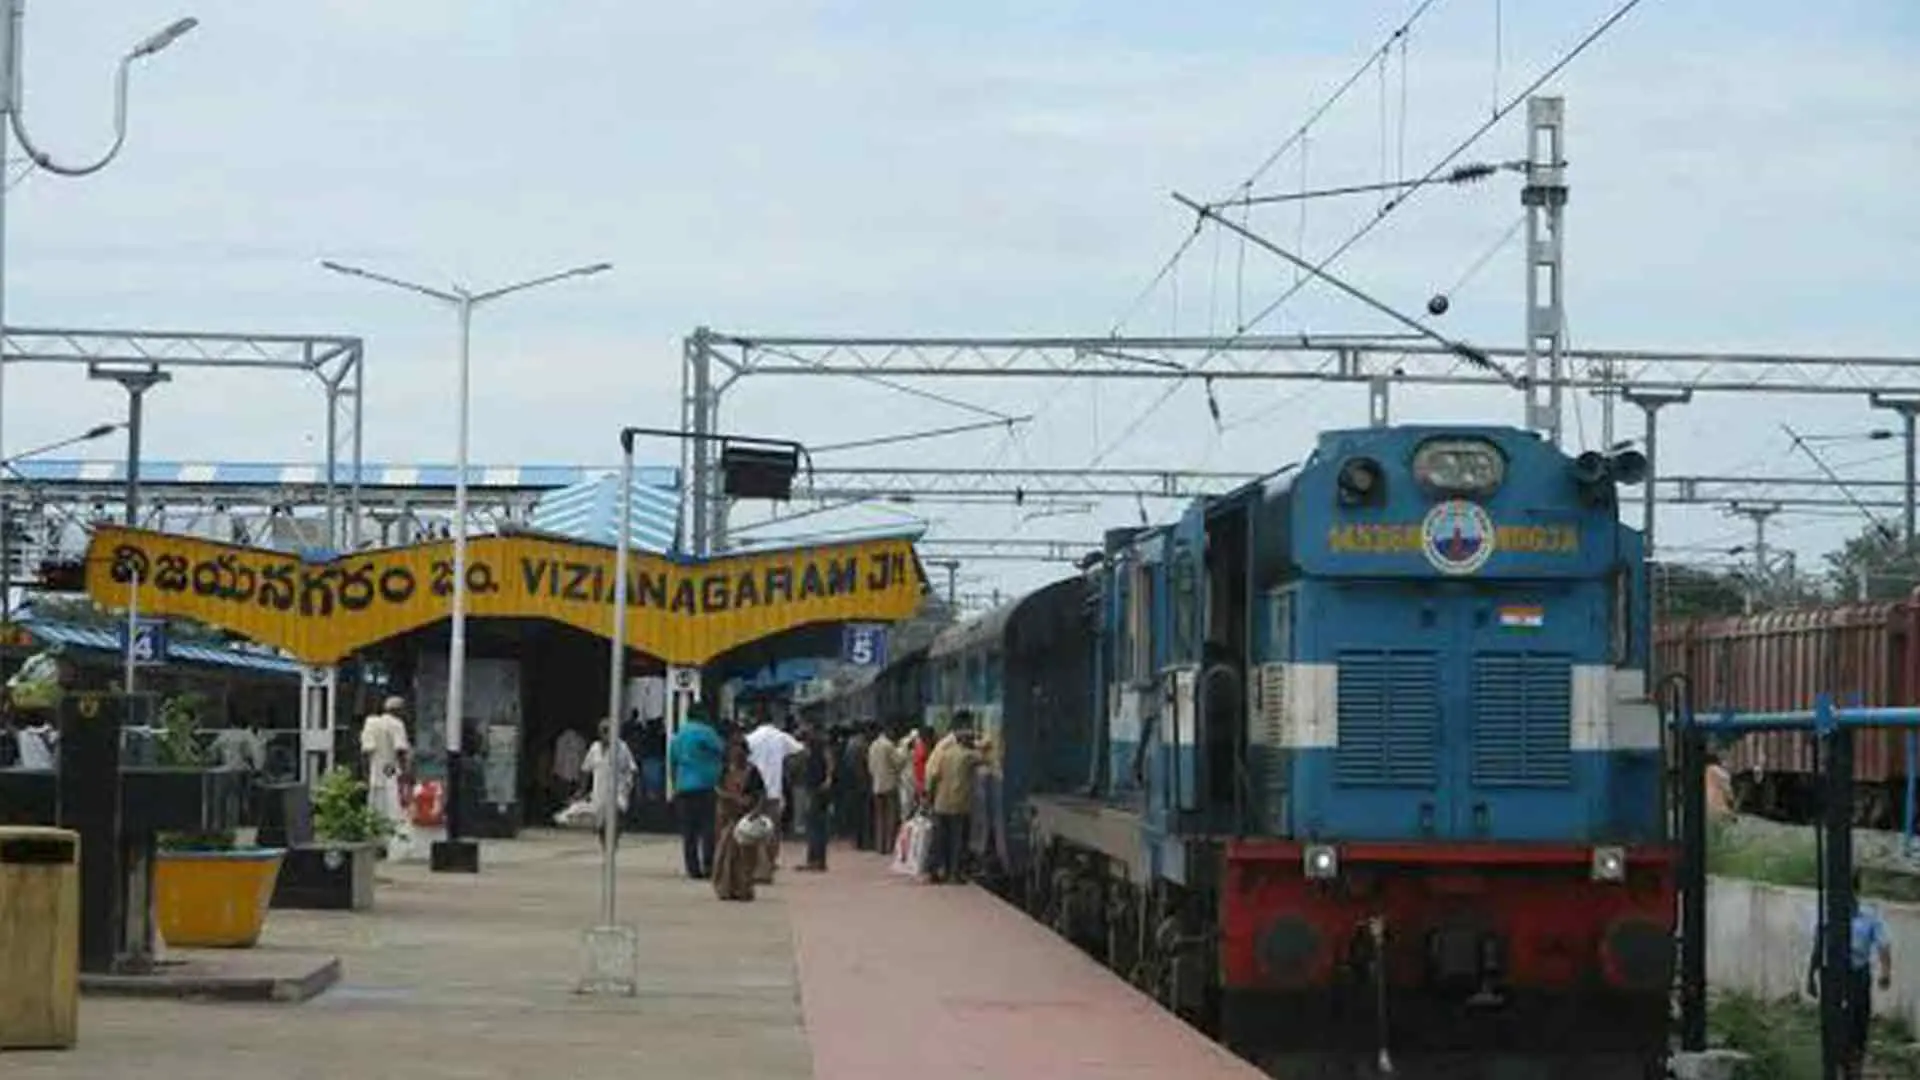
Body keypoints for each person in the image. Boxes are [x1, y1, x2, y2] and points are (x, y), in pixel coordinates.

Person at [1808, 869, 1895, 1080]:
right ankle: (1835, 1065)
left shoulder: (1869, 916)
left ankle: (1853, 1068)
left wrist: (1885, 972)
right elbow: (1819, 944)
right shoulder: (1828, 914)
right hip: (1833, 975)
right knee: (1834, 1025)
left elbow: (1883, 945)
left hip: (1857, 974)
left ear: (1855, 891)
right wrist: (1810, 975)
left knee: (1857, 1024)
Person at [745, 713, 805, 883]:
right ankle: (770, 864)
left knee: (753, 829)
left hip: (755, 791)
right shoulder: (781, 737)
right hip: (774, 791)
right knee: (772, 830)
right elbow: (800, 750)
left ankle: (755, 866)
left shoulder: (750, 738)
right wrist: (788, 769)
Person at [668, 704, 726, 879]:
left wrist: (674, 786)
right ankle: (708, 865)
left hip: (684, 788)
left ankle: (692, 869)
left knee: (689, 832)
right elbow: (722, 749)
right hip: (705, 787)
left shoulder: (678, 737)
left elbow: (673, 764)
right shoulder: (707, 732)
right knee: (708, 829)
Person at [924, 719, 984, 884]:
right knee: (957, 841)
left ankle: (934, 871)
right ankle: (954, 874)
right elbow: (986, 755)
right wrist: (979, 743)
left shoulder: (943, 754)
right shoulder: (968, 755)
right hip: (958, 805)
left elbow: (934, 777)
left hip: (941, 803)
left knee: (940, 840)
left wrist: (930, 798)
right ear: (966, 741)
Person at [712, 735, 766, 901]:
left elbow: (761, 794)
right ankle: (726, 888)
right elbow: (717, 788)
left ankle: (744, 888)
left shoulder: (752, 771)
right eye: (733, 751)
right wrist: (729, 797)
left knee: (746, 856)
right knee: (725, 854)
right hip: (729, 816)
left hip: (745, 819)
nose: (736, 755)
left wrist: (756, 811)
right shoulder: (725, 769)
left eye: (740, 751)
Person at [360, 697, 412, 856]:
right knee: (393, 807)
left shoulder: (371, 723)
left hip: (376, 771)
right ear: (397, 711)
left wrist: (366, 773)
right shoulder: (396, 724)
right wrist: (405, 773)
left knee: (375, 807)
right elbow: (400, 750)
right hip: (389, 768)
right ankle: (393, 846)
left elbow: (366, 751)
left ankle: (375, 844)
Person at [582, 719, 637, 849]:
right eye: (603, 731)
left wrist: (629, 785)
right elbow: (585, 769)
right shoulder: (594, 748)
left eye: (608, 730)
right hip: (599, 791)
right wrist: (582, 789)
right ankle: (606, 844)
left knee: (616, 817)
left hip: (618, 791)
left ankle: (613, 839)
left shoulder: (622, 747)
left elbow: (632, 768)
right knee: (601, 824)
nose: (605, 734)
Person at [798, 724, 836, 871]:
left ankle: (817, 860)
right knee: (815, 824)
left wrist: (828, 780)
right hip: (814, 787)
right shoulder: (814, 747)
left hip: (817, 789)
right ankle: (814, 859)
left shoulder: (819, 746)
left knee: (815, 824)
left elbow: (830, 763)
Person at [867, 722, 901, 856]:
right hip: (890, 784)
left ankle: (879, 846)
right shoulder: (889, 745)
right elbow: (898, 762)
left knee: (879, 817)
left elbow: (870, 767)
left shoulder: (873, 745)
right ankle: (889, 845)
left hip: (876, 784)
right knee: (891, 816)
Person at [1705, 751, 1737, 820]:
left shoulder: (1701, 773)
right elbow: (1729, 795)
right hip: (1719, 810)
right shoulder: (1721, 774)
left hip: (1704, 810)